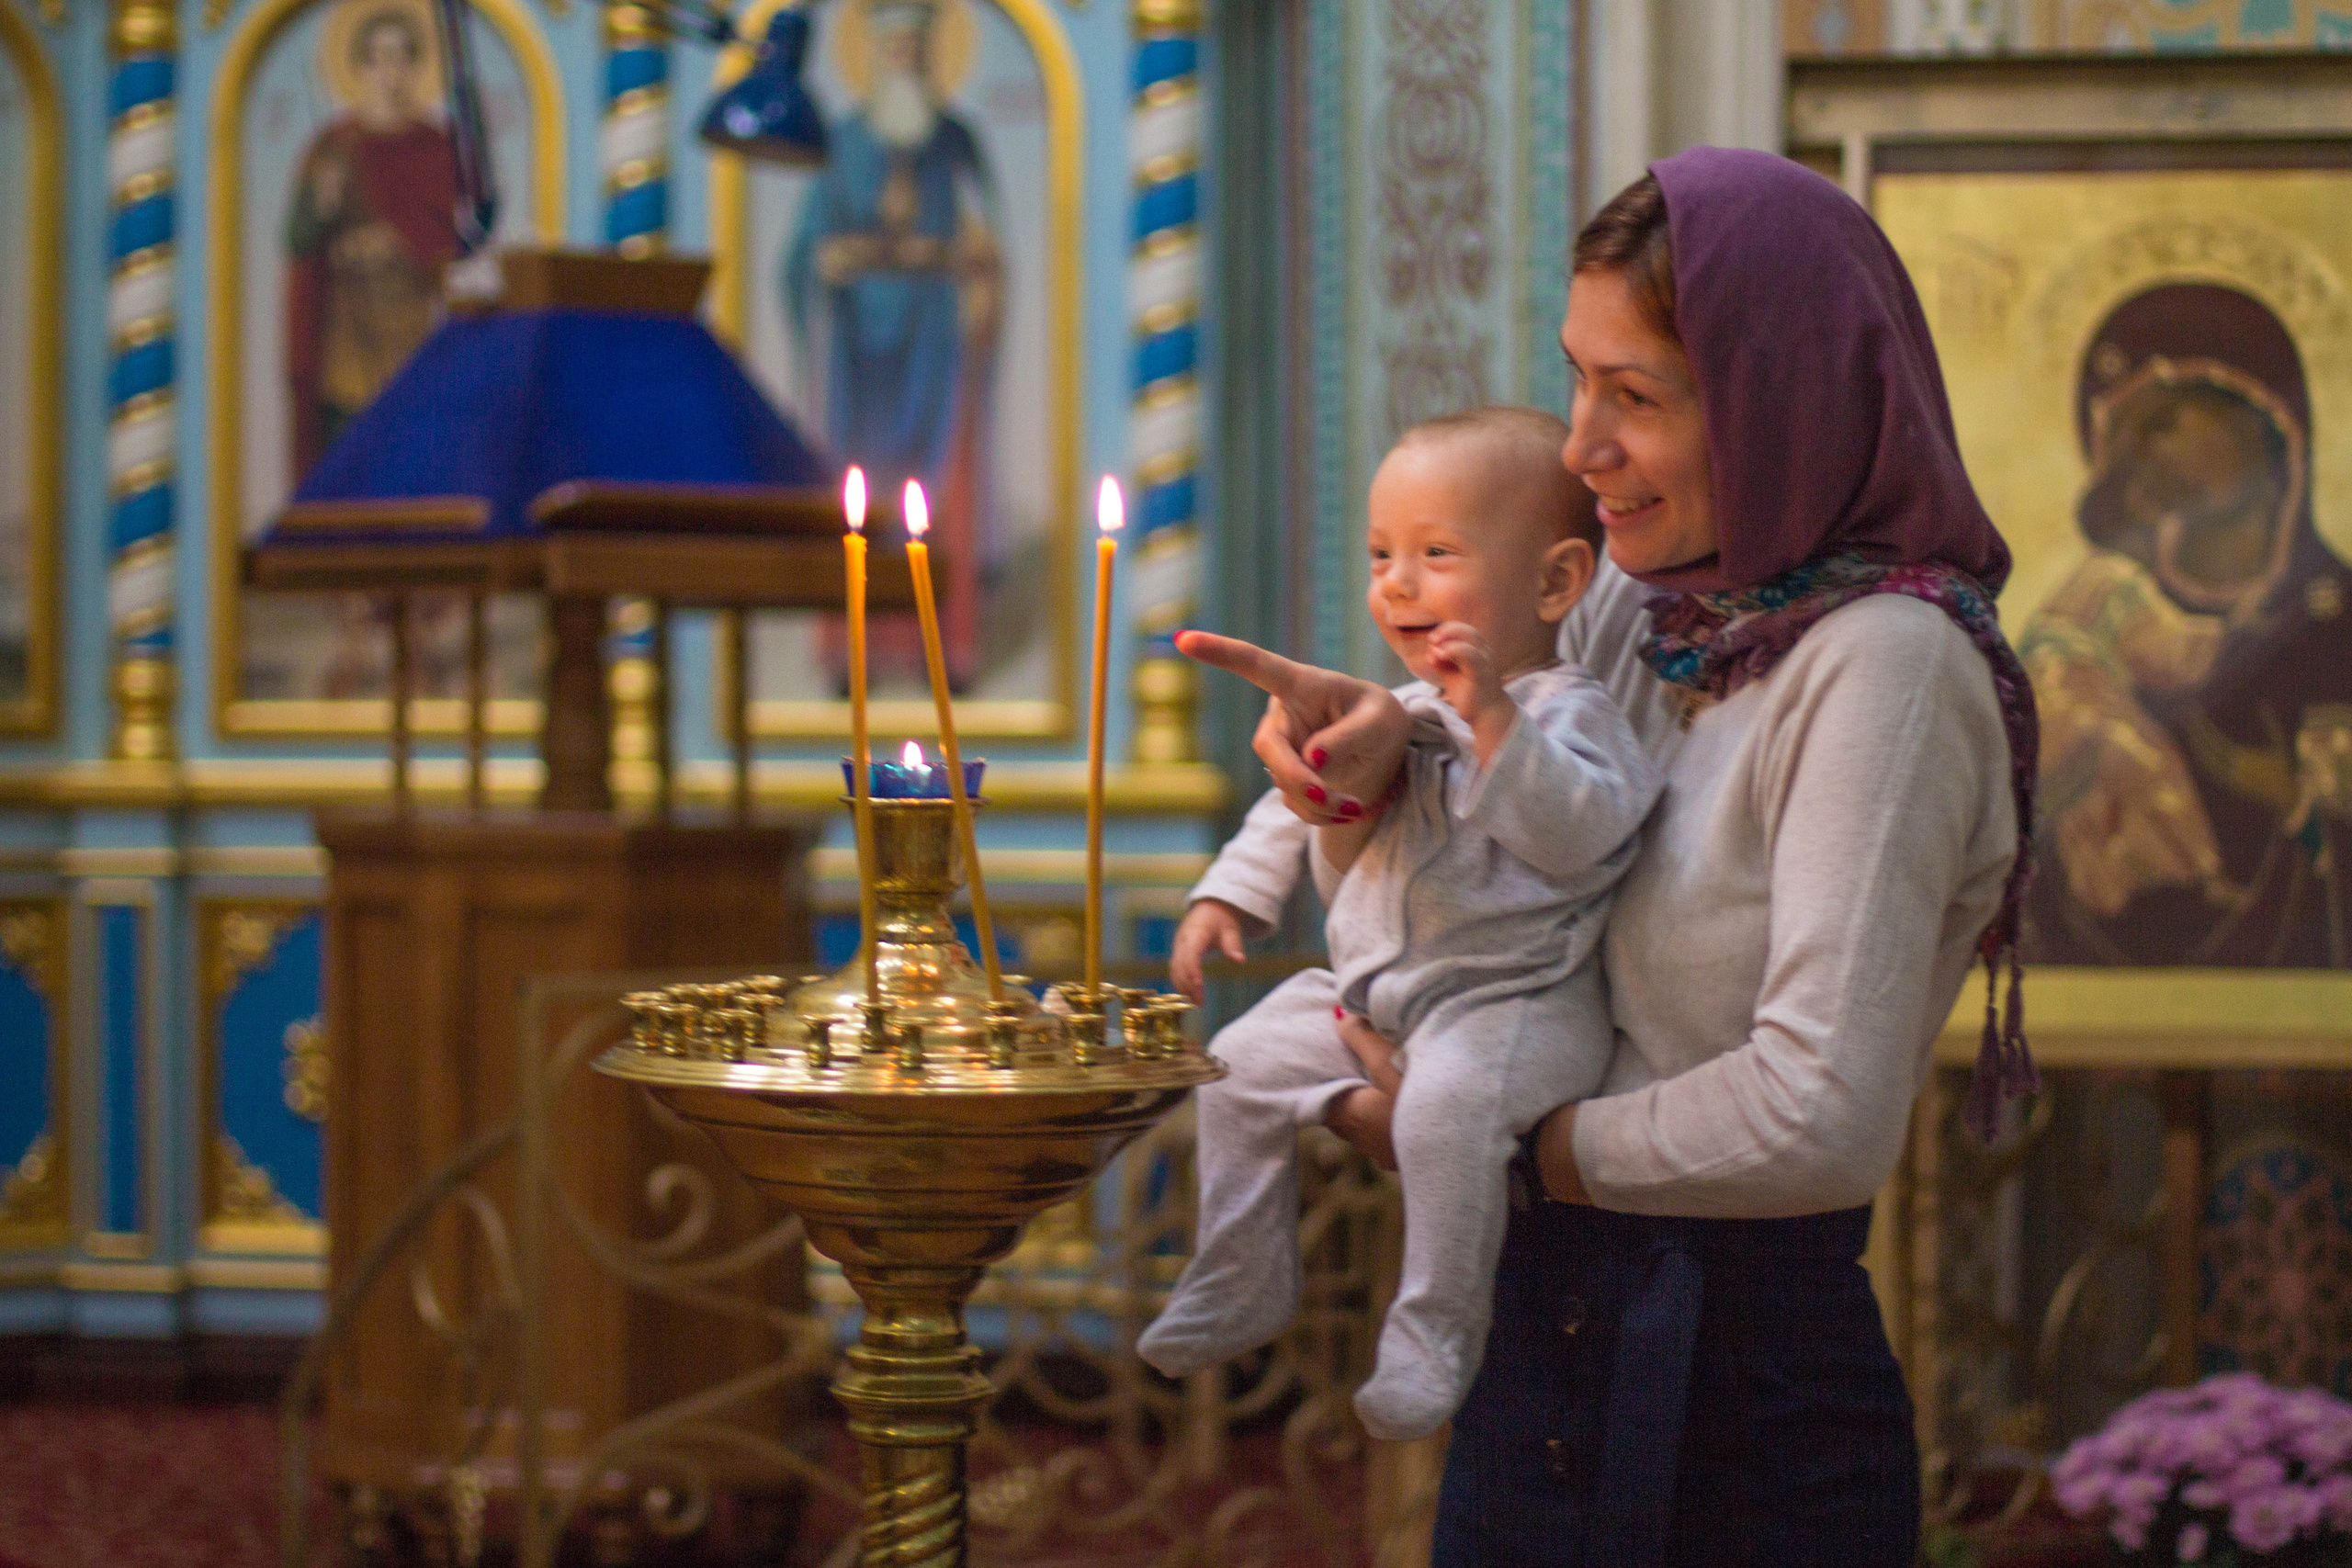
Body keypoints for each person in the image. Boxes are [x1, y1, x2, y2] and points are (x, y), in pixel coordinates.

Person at [1177, 149, 2039, 1565]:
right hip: (1551, 1334)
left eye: (1634, 397)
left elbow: (1816, 1112)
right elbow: (1496, 871)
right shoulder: (1658, 608)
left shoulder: (1888, 665)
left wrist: (1499, 1144)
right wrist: (1363, 782)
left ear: (1779, 401)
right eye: (1578, 381)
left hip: (1735, 1387)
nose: (1580, 449)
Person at [1141, 409, 1659, 1442]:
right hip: (1372, 997)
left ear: (1555, 584)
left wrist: (1494, 727)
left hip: (1516, 1003)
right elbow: (1289, 806)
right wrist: (1224, 898)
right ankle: (1240, 1275)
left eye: (1435, 554)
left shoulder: (1568, 713)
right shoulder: (1393, 704)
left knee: (1442, 1114)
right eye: (1381, 556)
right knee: (1236, 1065)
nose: (1396, 584)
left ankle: (1433, 1334)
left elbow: (1587, 834)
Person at [2018, 283, 2352, 967]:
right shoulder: (2100, 621)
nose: (2132, 460)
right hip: (2099, 1036)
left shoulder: (2336, 623)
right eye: (2116, 438)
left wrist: (2304, 799)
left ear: (2265, 418)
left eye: (2162, 423)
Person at [786, 0, 1000, 690]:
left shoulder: (954, 142)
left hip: (934, 344)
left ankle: (944, 650)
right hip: (858, 353)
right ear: (873, 55)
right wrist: (828, 264)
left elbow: (985, 243)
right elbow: (802, 256)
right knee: (858, 498)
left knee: (941, 494)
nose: (904, 57)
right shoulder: (842, 141)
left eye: (915, 47)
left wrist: (970, 269)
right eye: (893, 48)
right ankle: (853, 650)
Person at [285, 2, 458, 479]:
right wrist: (322, 205)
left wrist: (404, 248)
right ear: (361, 66)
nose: (391, 71)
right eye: (380, 57)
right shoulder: (334, 146)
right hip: (348, 332)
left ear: (418, 66)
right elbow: (299, 241)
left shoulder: (437, 148)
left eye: (403, 57)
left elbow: (460, 243)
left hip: (412, 326)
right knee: (349, 453)